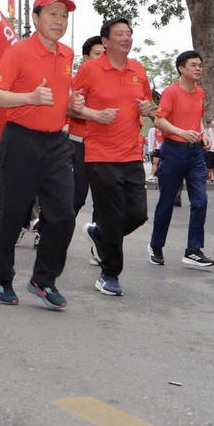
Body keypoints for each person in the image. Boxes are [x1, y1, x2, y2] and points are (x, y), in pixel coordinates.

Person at [0, 0, 78, 310]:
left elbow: (61, 100)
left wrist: (74, 105)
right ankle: (3, 279)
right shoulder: (18, 52)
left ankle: (44, 279)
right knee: (10, 215)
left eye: (64, 15)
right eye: (52, 14)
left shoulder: (67, 55)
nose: (59, 21)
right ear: (35, 17)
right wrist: (28, 98)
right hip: (21, 140)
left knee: (64, 215)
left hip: (56, 144)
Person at [72, 17, 154, 297]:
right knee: (112, 213)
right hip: (101, 153)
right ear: (105, 41)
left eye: (129, 33)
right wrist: (94, 114)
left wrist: (147, 107)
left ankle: (101, 234)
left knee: (137, 214)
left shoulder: (138, 69)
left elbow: (146, 104)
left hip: (132, 153)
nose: (126, 38)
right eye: (119, 34)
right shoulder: (90, 70)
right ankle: (109, 274)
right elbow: (69, 107)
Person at [148, 50, 214, 269]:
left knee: (201, 201)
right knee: (167, 202)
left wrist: (202, 132)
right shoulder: (171, 92)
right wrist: (181, 132)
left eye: (200, 65)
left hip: (195, 154)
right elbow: (159, 121)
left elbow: (198, 120)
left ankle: (193, 250)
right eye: (193, 65)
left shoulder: (201, 93)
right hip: (173, 151)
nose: (198, 69)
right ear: (181, 68)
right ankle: (156, 246)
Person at [68, 36, 105, 218]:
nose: (102, 57)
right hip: (78, 145)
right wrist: (95, 115)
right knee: (75, 198)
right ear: (85, 57)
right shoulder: (79, 80)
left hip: (105, 147)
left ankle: (99, 243)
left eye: (105, 54)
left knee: (104, 201)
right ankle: (45, 231)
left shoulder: (113, 83)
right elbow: (68, 110)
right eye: (98, 54)